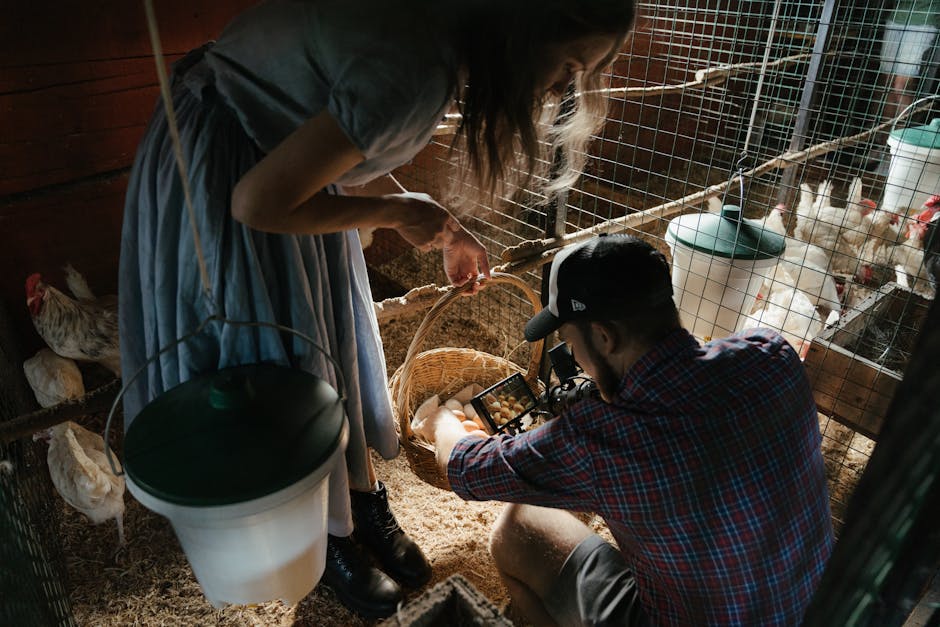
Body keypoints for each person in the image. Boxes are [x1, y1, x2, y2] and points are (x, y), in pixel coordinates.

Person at [119, 0, 637, 619]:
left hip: (280, 164)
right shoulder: (419, 63)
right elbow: (257, 202)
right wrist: (398, 212)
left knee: (330, 337)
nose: (564, 88)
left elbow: (337, 126)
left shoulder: (434, 37)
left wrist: (436, 224)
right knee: (287, 361)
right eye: (572, 64)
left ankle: (358, 498)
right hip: (235, 168)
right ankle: (327, 535)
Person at [416, 233, 835, 626]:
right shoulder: (772, 356)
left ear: (603, 336)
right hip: (821, 608)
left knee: (516, 528)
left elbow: (466, 468)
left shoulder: (603, 437)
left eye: (571, 340)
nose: (576, 358)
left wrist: (443, 420)